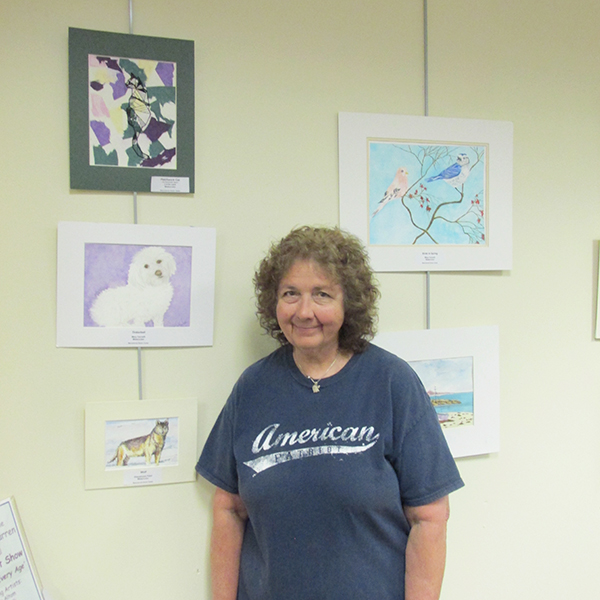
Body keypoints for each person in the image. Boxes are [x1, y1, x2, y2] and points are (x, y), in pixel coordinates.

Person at [196, 226, 464, 600]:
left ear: (348, 302)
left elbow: (430, 517)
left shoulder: (391, 382)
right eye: (290, 293)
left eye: (322, 294)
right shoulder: (252, 388)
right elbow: (228, 509)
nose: (304, 311)